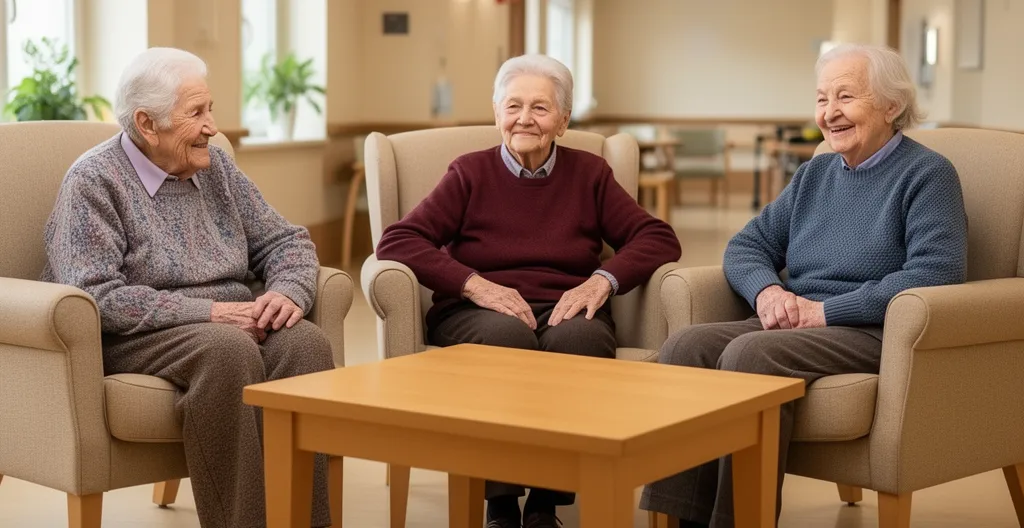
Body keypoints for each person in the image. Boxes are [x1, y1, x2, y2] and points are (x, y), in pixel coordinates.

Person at [640, 43, 969, 528]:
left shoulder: (928, 175)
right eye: (820, 99)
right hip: (800, 323)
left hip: (873, 330)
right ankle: (680, 520)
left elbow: (936, 275)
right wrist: (768, 293)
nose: (829, 113)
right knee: (686, 346)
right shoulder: (815, 173)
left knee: (751, 355)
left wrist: (825, 312)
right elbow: (746, 245)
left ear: (891, 105)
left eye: (845, 97)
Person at [375, 53, 682, 528]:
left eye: (540, 108)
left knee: (579, 341)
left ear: (563, 121)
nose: (524, 119)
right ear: (497, 112)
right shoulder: (469, 173)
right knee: (506, 342)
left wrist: (603, 280)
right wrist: (472, 284)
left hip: (565, 305)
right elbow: (399, 239)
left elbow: (658, 237)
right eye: (513, 105)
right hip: (476, 310)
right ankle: (499, 504)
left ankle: (544, 503)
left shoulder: (590, 174)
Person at [40, 47, 334, 528]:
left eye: (210, 108)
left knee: (305, 343)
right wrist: (211, 313)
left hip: (226, 320)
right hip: (133, 333)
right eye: (196, 112)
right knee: (227, 351)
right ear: (147, 124)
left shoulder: (215, 167)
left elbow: (287, 240)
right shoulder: (94, 181)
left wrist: (288, 292)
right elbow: (97, 297)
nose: (213, 126)